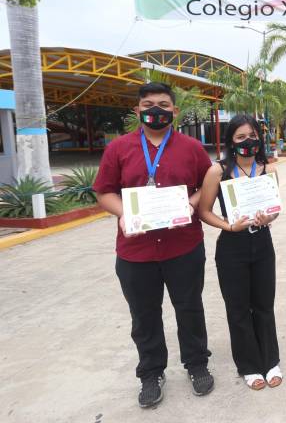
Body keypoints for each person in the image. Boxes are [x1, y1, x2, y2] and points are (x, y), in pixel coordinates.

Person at [93, 82, 214, 408]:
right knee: (144, 315)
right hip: (136, 252)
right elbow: (104, 191)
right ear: (138, 110)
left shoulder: (191, 148)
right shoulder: (119, 148)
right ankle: (151, 372)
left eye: (163, 104)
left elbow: (209, 183)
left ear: (175, 111)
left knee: (189, 307)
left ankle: (196, 363)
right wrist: (123, 214)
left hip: (183, 246)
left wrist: (190, 202)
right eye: (149, 104)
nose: (156, 110)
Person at [197, 115, 282, 391]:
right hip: (232, 247)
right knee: (238, 309)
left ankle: (270, 361)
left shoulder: (267, 168)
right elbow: (204, 211)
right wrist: (229, 226)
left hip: (262, 244)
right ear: (231, 142)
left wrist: (268, 218)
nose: (249, 141)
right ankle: (249, 365)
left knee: (264, 305)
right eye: (241, 137)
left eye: (253, 135)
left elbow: (274, 209)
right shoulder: (218, 171)